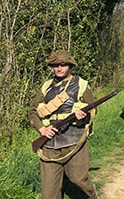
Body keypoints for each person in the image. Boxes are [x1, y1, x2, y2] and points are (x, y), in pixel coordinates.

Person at [28, 49, 98, 199]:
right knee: (48, 194)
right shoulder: (46, 87)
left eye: (63, 64)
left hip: (74, 140)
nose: (59, 68)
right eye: (55, 65)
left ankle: (92, 195)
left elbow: (93, 110)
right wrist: (42, 129)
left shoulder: (82, 85)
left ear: (70, 66)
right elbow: (32, 112)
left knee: (78, 179)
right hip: (50, 143)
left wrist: (83, 116)